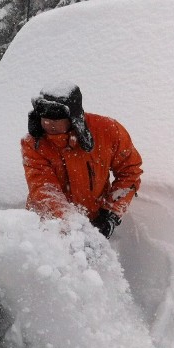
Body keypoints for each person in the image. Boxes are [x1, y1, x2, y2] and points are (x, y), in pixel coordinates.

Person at [21, 84, 142, 238]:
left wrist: (111, 214)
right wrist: (72, 224)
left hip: (95, 219)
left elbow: (129, 172)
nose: (48, 124)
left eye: (57, 120)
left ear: (73, 117)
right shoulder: (33, 144)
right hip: (49, 226)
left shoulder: (108, 130)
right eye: (44, 118)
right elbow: (44, 189)